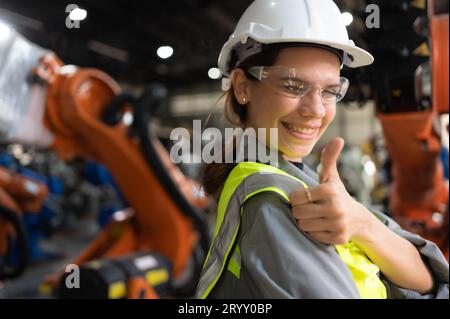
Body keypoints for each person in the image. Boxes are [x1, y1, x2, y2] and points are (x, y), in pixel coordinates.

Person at [195, 0, 449, 299]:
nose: (316, 110)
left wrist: (362, 223)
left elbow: (430, 277)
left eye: (329, 91)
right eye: (292, 85)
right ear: (242, 87)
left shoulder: (308, 184)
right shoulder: (272, 199)